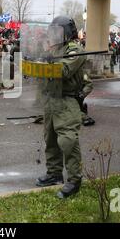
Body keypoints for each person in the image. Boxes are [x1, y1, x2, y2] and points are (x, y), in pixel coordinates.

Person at [35, 16, 86, 199]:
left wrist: (48, 62)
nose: (55, 35)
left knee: (67, 141)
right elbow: (42, 68)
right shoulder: (54, 49)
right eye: (53, 31)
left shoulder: (75, 49)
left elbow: (63, 71)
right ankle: (54, 173)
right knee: (50, 139)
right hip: (51, 99)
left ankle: (74, 180)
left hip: (66, 101)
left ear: (68, 32)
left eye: (58, 31)